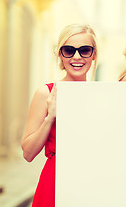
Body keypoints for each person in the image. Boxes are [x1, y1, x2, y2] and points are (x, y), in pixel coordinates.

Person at [21, 24, 98, 207]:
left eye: (85, 50)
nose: (77, 57)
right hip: (55, 180)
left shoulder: (99, 95)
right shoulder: (46, 93)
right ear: (60, 55)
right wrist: (50, 118)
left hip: (91, 180)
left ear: (93, 55)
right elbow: (28, 153)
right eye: (69, 50)